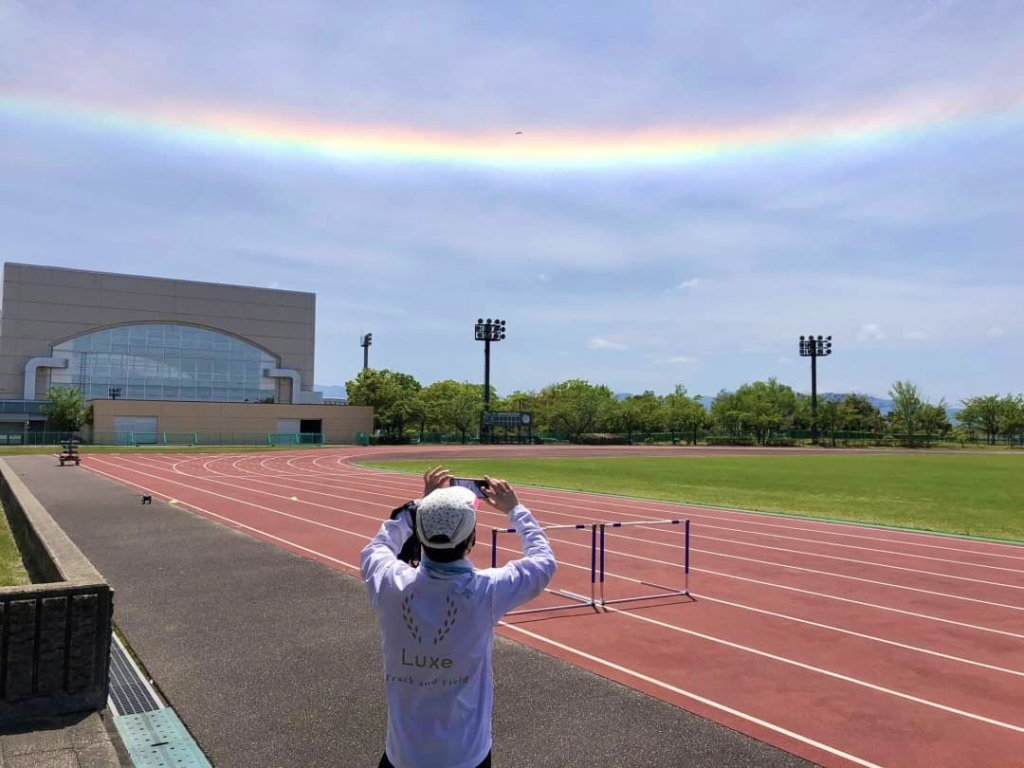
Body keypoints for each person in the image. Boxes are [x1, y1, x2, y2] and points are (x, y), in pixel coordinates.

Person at [360, 466, 557, 768]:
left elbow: (378, 547)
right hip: (465, 757)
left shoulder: (389, 582)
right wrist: (515, 509)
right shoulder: (486, 591)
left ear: (420, 538)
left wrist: (420, 506)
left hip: (403, 756)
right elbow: (543, 562)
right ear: (471, 541)